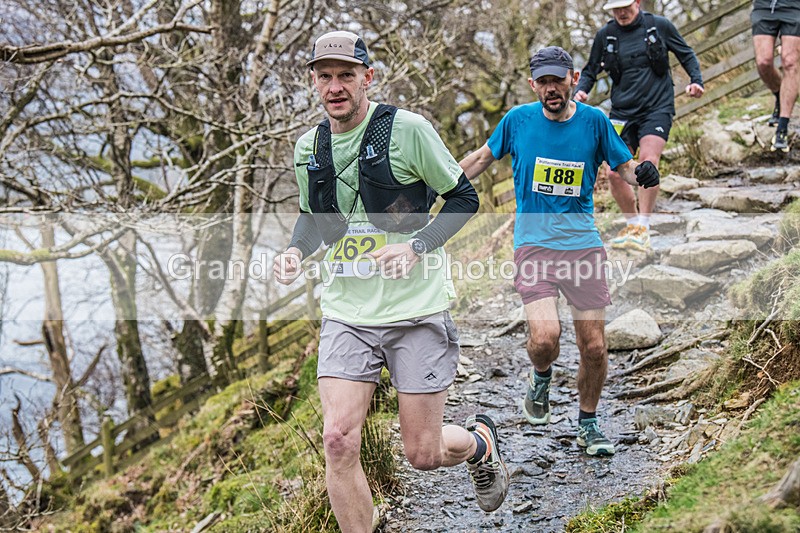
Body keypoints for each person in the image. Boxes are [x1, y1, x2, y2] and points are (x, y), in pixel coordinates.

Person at [272, 30, 508, 531]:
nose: (335, 86)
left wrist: (415, 246)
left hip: (414, 309)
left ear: (368, 77)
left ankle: (480, 444)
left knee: (423, 453)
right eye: (324, 76)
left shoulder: (408, 130)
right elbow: (313, 217)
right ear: (314, 82)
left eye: (346, 75)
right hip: (347, 312)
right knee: (337, 440)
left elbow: (464, 198)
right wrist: (295, 250)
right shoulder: (308, 147)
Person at [460, 46, 659, 456]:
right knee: (545, 338)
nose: (551, 88)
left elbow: (623, 166)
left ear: (574, 78)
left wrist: (641, 172)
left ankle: (588, 424)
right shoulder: (517, 120)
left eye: (558, 80)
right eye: (543, 81)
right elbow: (480, 158)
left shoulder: (595, 121)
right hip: (533, 246)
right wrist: (435, 184)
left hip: (582, 246)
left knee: (595, 347)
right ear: (533, 84)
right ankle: (540, 377)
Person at [574, 0, 703, 252]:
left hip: (657, 107)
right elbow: (590, 70)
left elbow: (686, 53)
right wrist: (581, 90)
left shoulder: (659, 26)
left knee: (648, 163)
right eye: (616, 9)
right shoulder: (606, 35)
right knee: (614, 171)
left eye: (626, 6)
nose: (621, 13)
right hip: (622, 112)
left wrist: (696, 80)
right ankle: (632, 225)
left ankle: (644, 226)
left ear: (637, 2)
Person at [751, 0, 800, 153]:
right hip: (765, 6)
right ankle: (780, 95)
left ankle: (782, 128)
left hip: (795, 6)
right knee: (763, 62)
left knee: (790, 62)